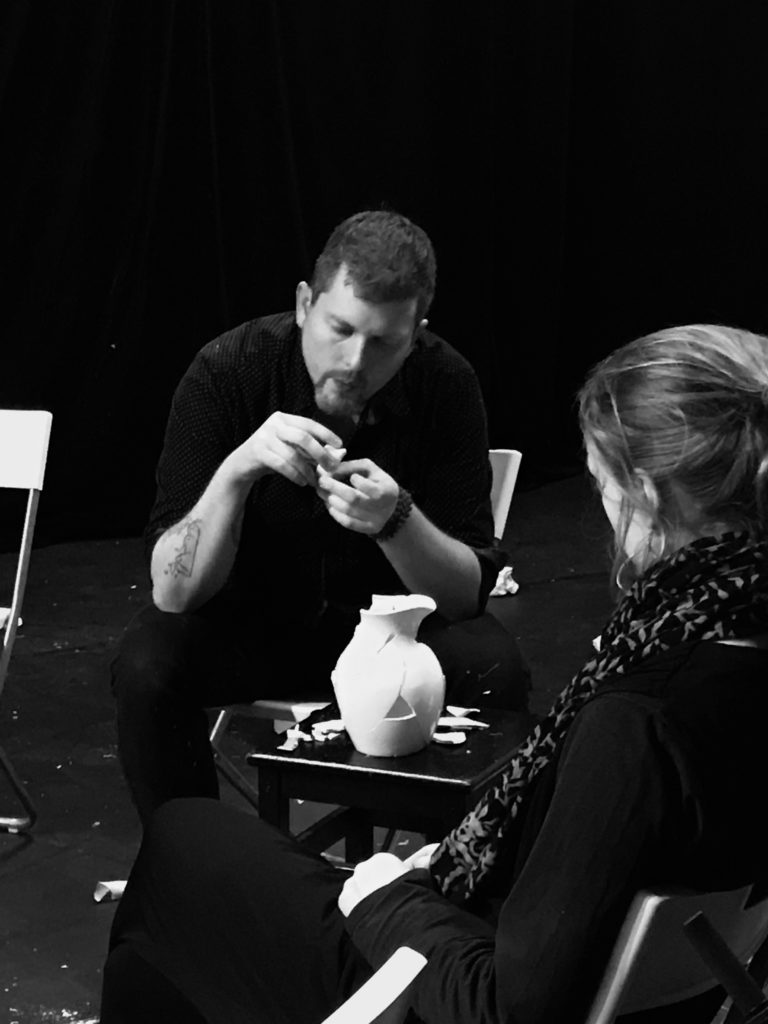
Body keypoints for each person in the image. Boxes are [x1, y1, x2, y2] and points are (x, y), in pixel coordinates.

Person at [102, 323, 768, 1023]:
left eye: (600, 483)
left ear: (647, 497)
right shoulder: (721, 642)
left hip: (429, 983)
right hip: (575, 955)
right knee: (167, 911)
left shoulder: (638, 721)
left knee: (180, 845)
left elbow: (504, 1008)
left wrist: (386, 895)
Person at [111, 209, 530, 824]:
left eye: (384, 341)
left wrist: (396, 519)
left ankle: (460, 873)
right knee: (147, 663)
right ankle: (192, 871)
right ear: (305, 304)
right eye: (340, 328)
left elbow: (466, 597)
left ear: (416, 334)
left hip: (395, 634)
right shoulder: (229, 370)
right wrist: (237, 471)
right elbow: (174, 594)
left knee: (497, 667)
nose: (356, 360)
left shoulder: (445, 383)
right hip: (254, 627)